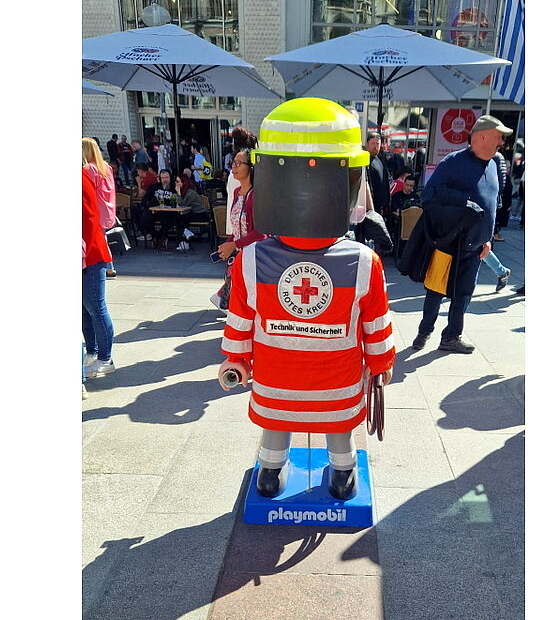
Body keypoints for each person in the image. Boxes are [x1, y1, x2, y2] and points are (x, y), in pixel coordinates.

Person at [217, 97, 395, 501]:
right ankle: (342, 474)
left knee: (277, 422)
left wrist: (236, 361)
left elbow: (239, 322)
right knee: (338, 426)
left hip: (275, 382)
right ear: (350, 182)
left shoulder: (250, 259)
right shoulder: (363, 262)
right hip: (338, 385)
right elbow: (376, 325)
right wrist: (381, 364)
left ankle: (270, 471)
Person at [411, 114, 512, 353]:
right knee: (436, 290)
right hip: (449, 243)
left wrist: (488, 238)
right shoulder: (453, 162)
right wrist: (464, 202)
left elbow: (492, 204)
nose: (501, 142)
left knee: (464, 294)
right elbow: (429, 196)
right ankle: (424, 332)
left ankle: (451, 337)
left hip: (476, 246)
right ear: (482, 136)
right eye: (498, 137)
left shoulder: (494, 163)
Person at [82, 167, 116, 378]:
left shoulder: (84, 176)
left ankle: (105, 358)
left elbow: (88, 218)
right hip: (88, 250)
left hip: (90, 252)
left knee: (95, 307)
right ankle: (93, 352)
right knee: (85, 309)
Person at [82, 137, 119, 279]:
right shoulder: (106, 167)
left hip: (95, 209)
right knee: (102, 239)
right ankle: (109, 268)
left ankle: (109, 268)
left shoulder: (89, 169)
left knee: (100, 240)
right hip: (107, 207)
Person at [225, 126, 258, 236]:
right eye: (233, 163)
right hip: (236, 233)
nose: (234, 166)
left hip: (249, 239)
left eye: (238, 163)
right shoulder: (236, 189)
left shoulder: (254, 194)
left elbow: (259, 233)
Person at [173, 173, 202, 252]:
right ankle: (185, 237)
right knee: (179, 217)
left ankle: (185, 240)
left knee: (183, 218)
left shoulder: (190, 192)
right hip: (190, 212)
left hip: (199, 213)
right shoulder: (184, 191)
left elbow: (183, 205)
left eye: (177, 181)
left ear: (184, 182)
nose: (176, 183)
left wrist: (178, 193)